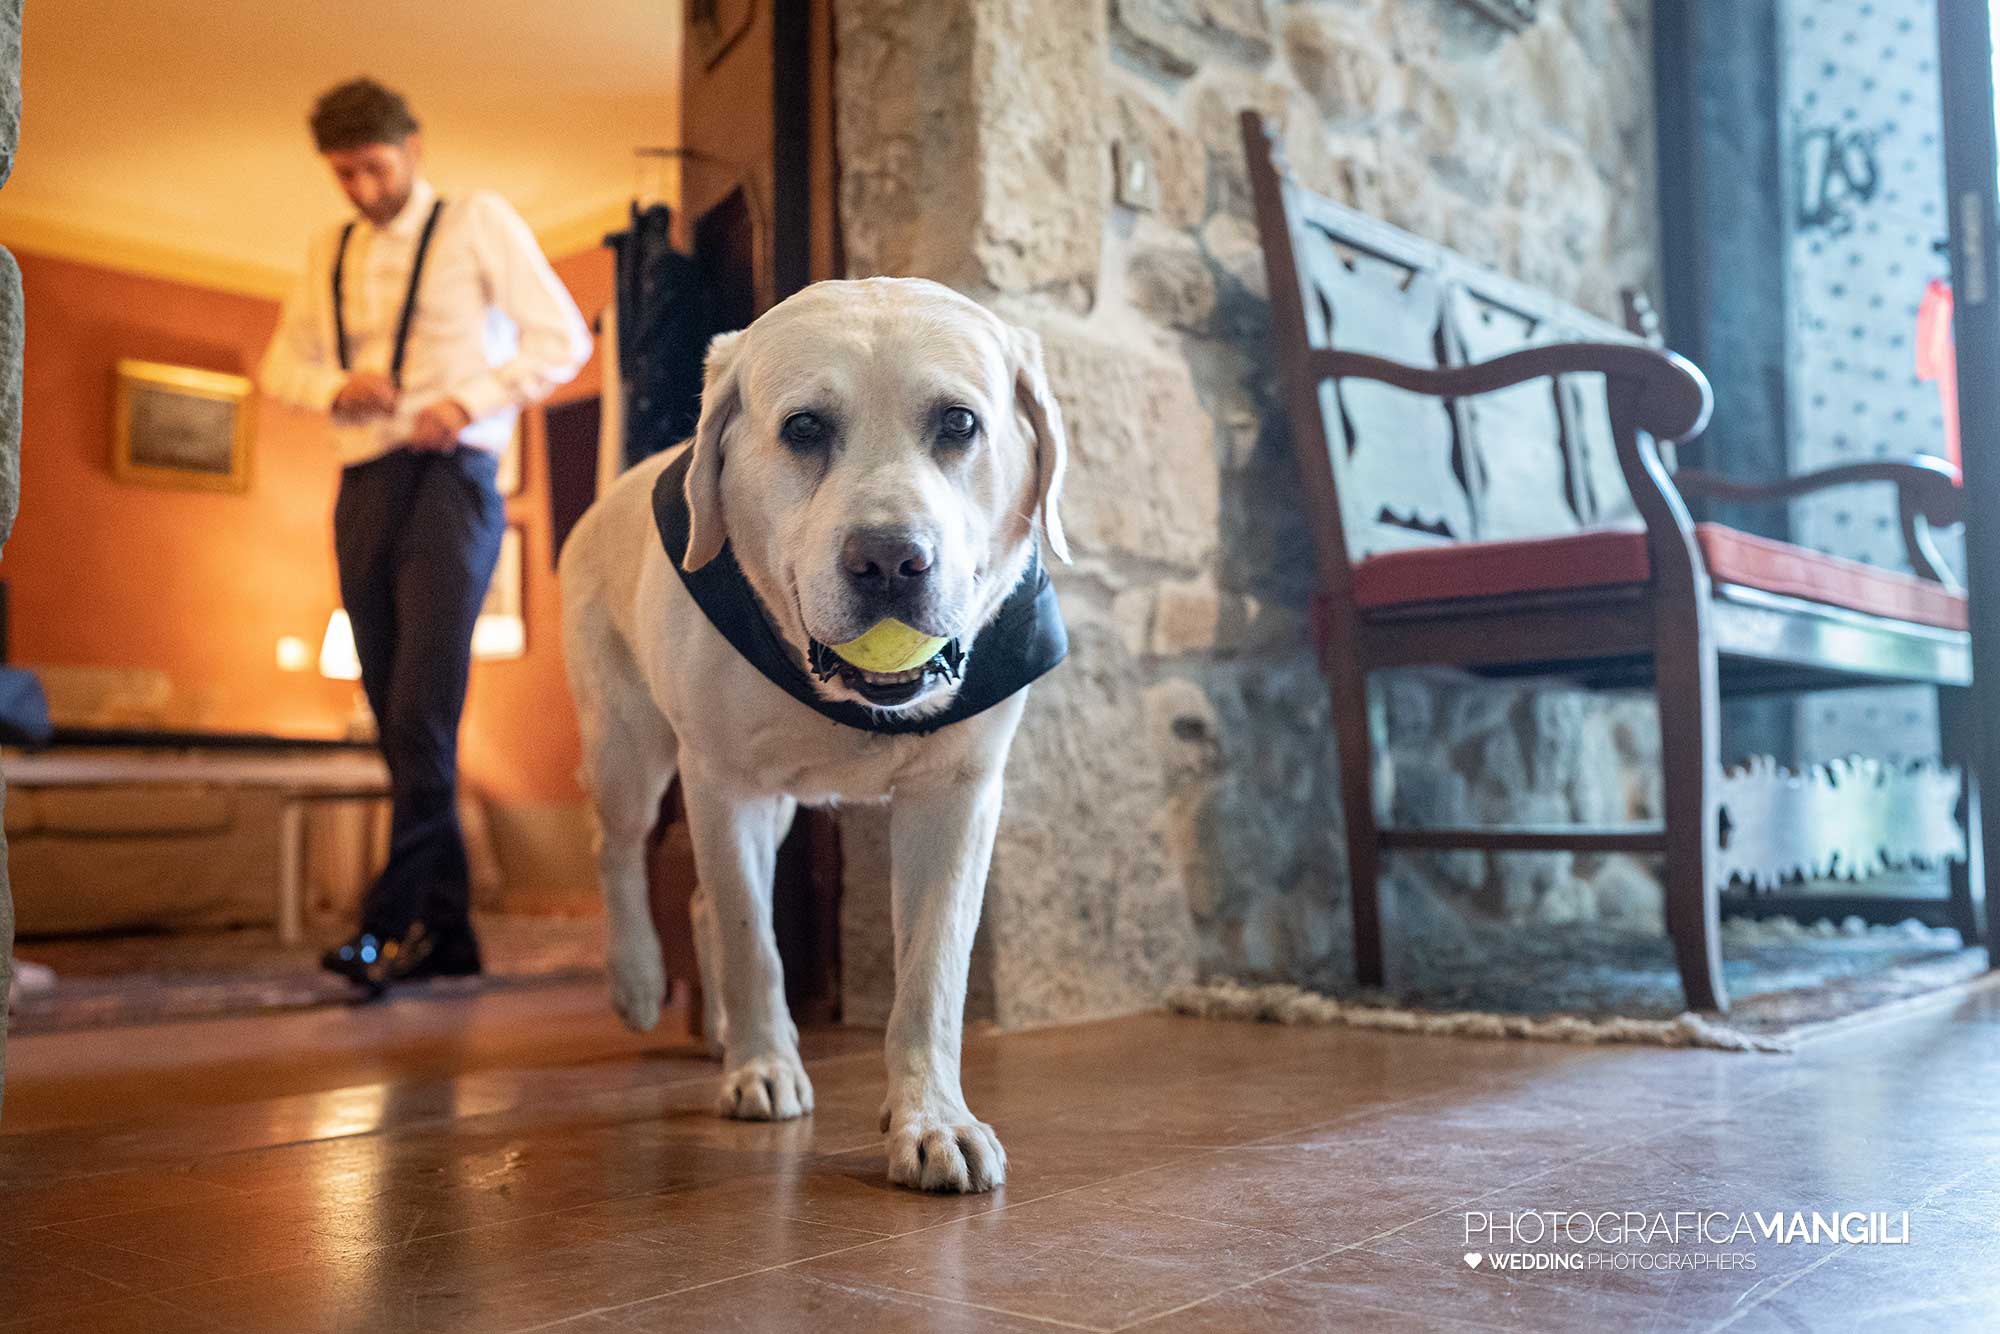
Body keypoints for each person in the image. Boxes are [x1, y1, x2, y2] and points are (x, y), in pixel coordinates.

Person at [260, 78, 591, 991]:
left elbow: (563, 339)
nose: (363, 189)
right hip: (364, 483)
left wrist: (468, 400)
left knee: (420, 710)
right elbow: (279, 364)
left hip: (454, 483)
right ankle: (450, 936)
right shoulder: (327, 250)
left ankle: (383, 927)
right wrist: (333, 388)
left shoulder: (477, 222)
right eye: (344, 174)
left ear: (412, 147)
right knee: (391, 709)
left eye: (375, 167)